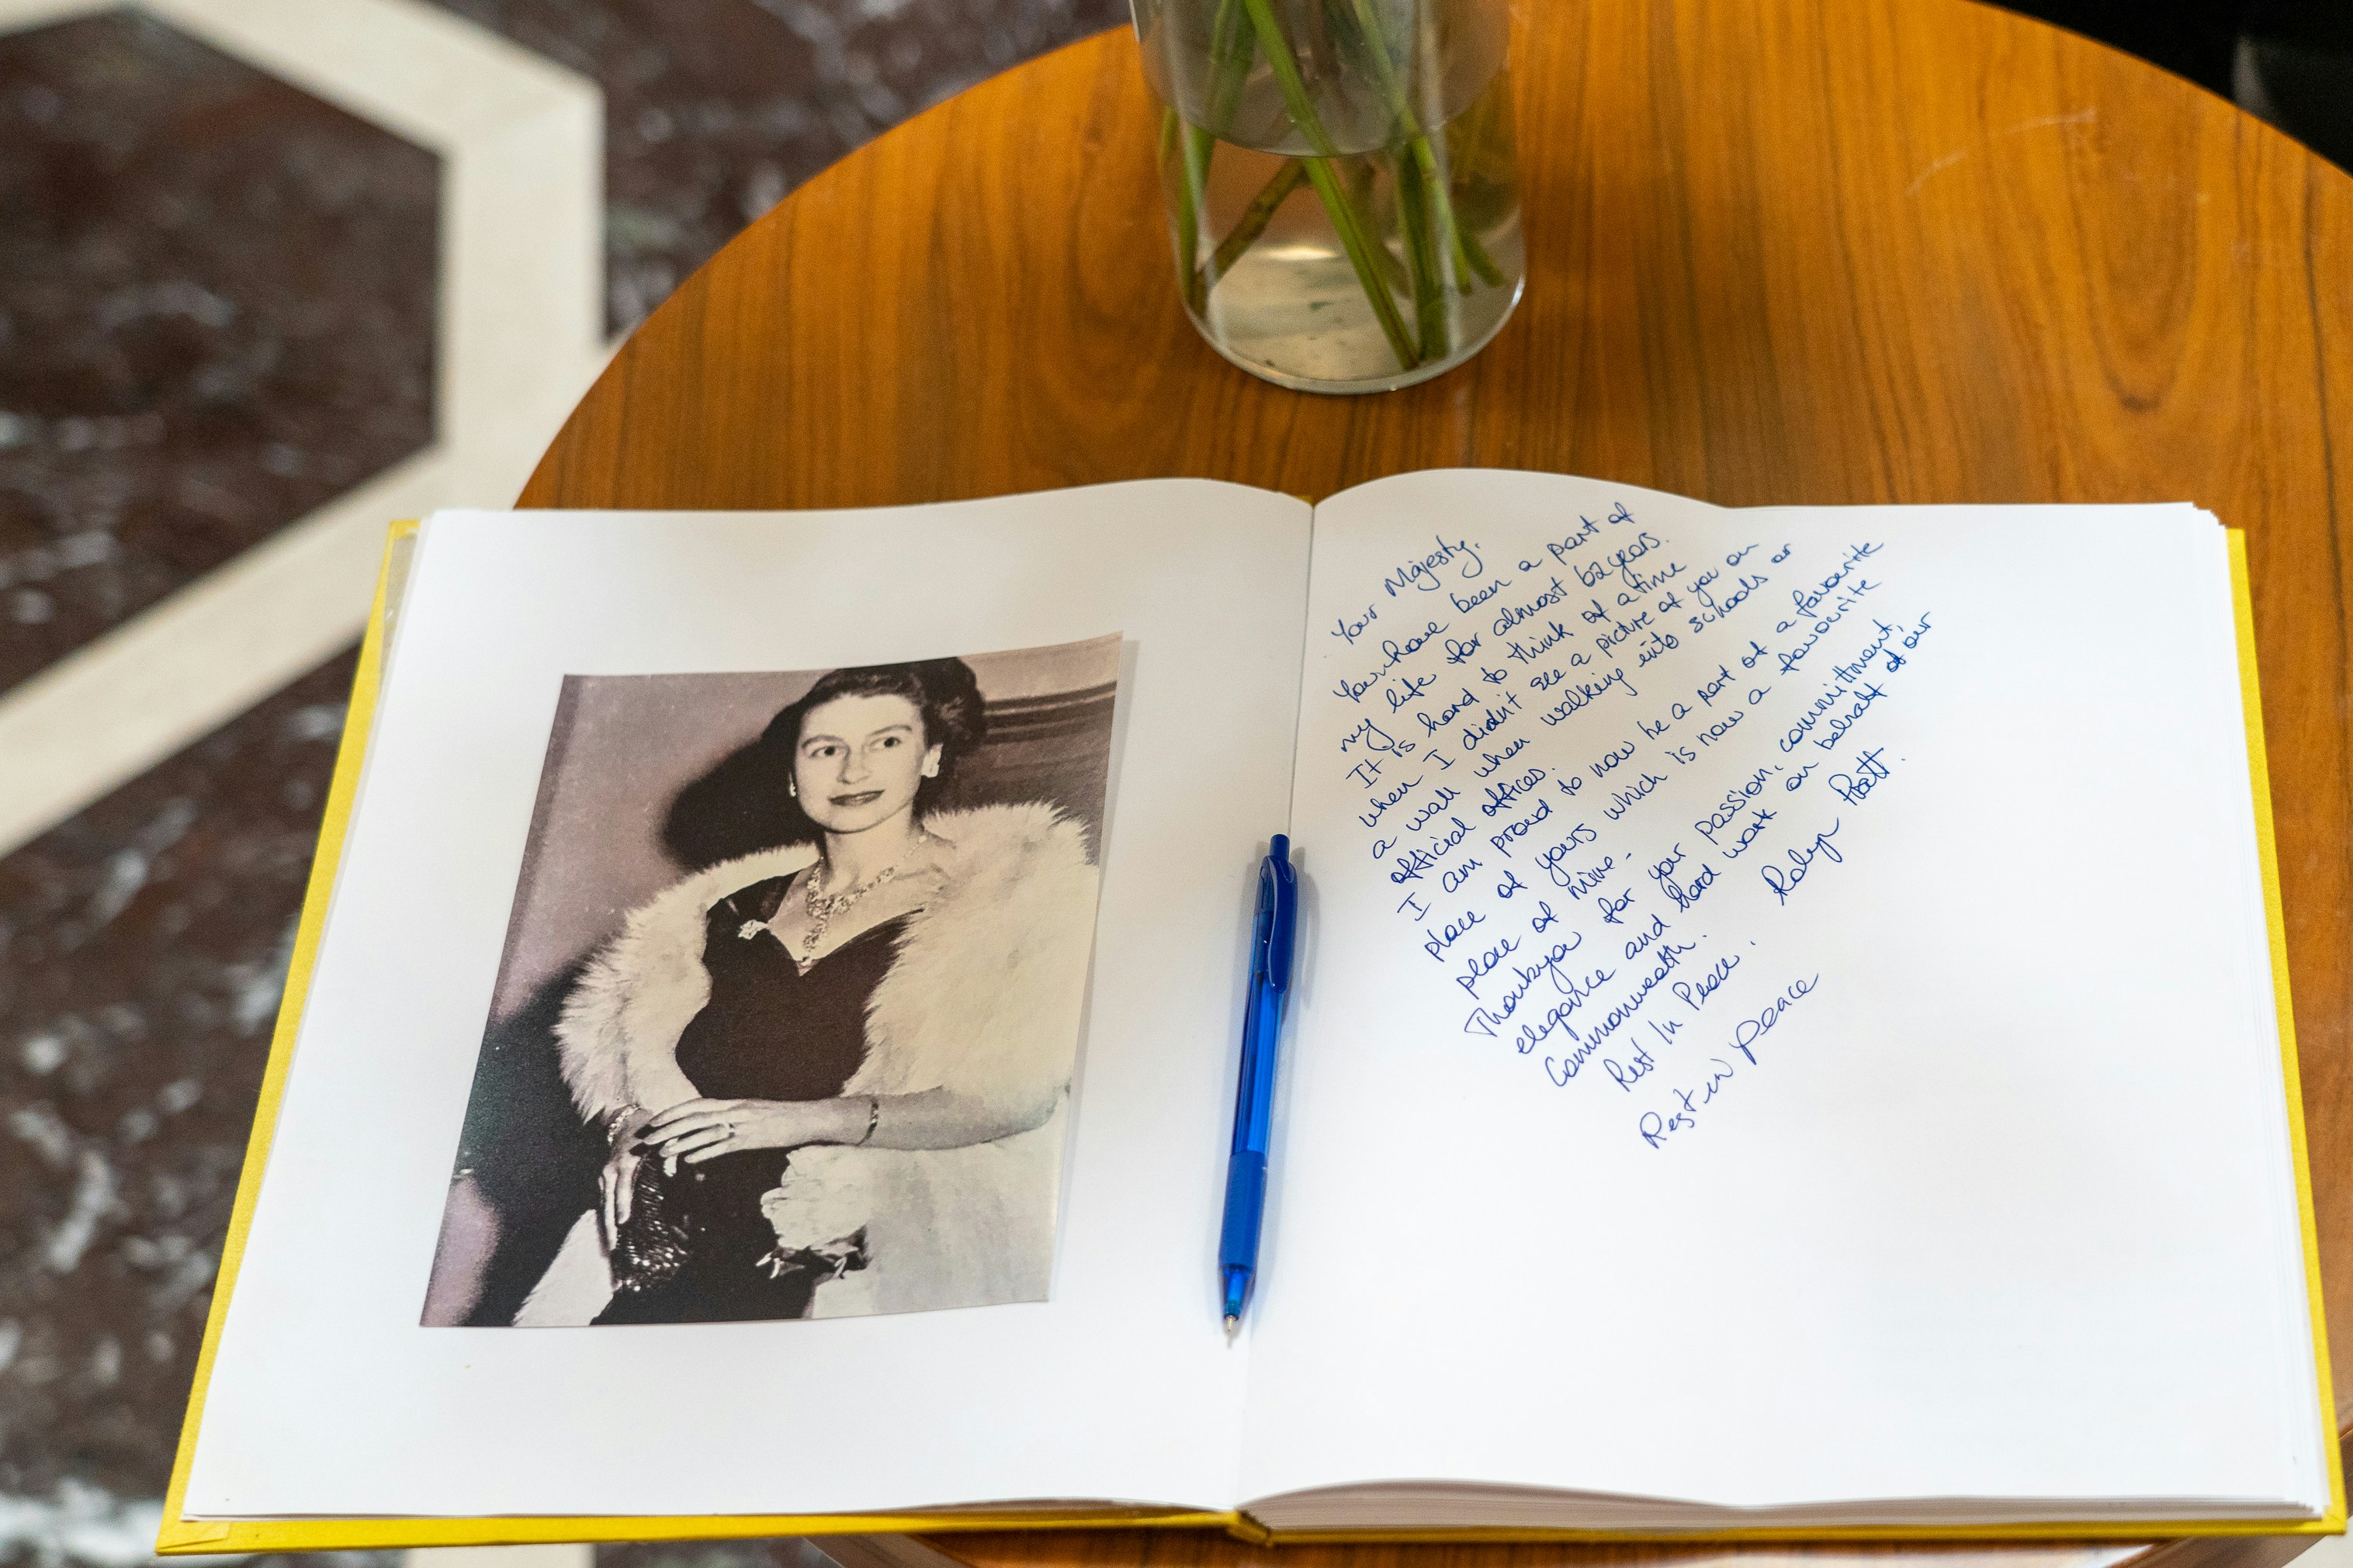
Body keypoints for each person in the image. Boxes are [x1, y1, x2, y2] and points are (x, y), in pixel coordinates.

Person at [516, 658, 1100, 1325]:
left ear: (931, 757)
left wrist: (803, 1119)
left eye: (886, 742)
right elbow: (629, 1061)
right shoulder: (722, 911)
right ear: (793, 777)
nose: (853, 771)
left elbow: (1015, 1098)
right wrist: (629, 1128)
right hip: (680, 1248)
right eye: (825, 749)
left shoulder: (1003, 901)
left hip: (857, 1251)